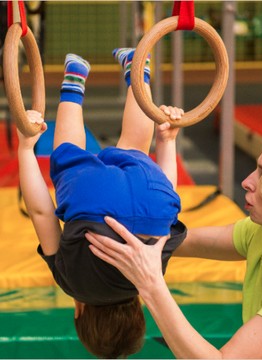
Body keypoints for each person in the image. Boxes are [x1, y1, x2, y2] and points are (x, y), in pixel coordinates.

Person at [86, 125, 262, 358]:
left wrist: (150, 282)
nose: (247, 182)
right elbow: (178, 241)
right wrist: (118, 227)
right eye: (256, 168)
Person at [17, 48, 186, 358]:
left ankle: (138, 70)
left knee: (135, 147)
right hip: (91, 200)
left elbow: (163, 207)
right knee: (68, 152)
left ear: (139, 309)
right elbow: (41, 212)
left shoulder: (149, 281)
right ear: (78, 312)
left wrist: (167, 143)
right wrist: (26, 149)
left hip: (155, 198)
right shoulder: (72, 284)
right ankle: (74, 78)